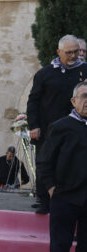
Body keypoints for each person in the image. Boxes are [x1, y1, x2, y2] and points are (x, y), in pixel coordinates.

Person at [38, 81, 87, 252]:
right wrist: (51, 189)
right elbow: (45, 162)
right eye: (84, 96)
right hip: (64, 197)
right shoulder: (61, 126)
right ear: (73, 101)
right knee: (60, 245)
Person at [27, 34, 87, 214]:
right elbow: (34, 100)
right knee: (45, 162)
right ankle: (44, 200)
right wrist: (33, 125)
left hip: (78, 128)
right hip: (48, 128)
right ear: (58, 52)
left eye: (77, 52)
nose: (74, 56)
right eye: (69, 52)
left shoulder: (85, 71)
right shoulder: (44, 74)